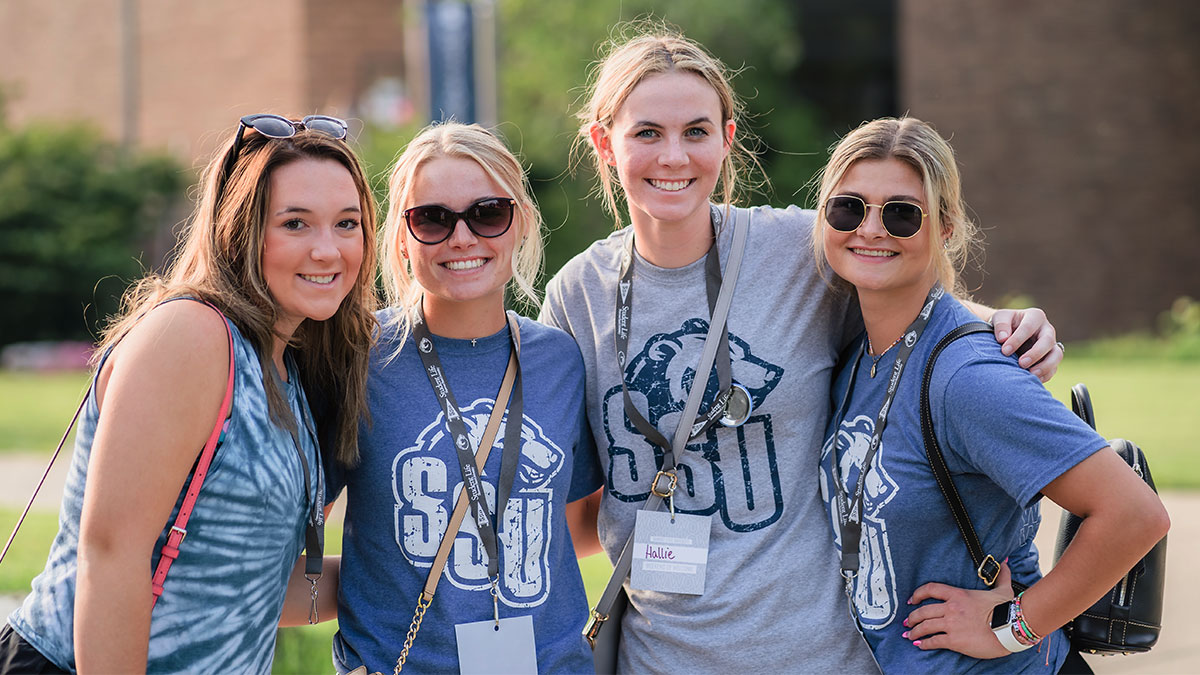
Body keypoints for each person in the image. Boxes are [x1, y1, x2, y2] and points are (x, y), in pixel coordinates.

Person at [540, 26, 1064, 673]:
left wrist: (1004, 320)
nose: (673, 156)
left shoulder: (797, 251)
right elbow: (575, 513)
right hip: (659, 660)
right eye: (647, 132)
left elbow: (903, 287)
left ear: (726, 141)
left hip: (825, 656)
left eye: (696, 131)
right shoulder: (576, 295)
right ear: (604, 142)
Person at [0, 114, 378, 674]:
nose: (328, 250)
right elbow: (111, 557)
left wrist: (401, 576)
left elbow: (251, 587)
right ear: (241, 230)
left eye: (347, 223)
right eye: (295, 223)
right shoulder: (194, 335)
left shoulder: (286, 369)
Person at [814, 116, 1169, 672]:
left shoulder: (966, 375)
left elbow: (1134, 514)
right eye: (849, 207)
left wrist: (1012, 628)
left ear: (946, 228)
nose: (871, 230)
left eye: (903, 214)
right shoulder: (860, 351)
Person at [323, 121, 601, 674]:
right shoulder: (356, 359)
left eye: (488, 213)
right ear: (400, 238)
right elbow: (293, 547)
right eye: (431, 218)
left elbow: (570, 527)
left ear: (519, 222)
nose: (462, 238)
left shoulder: (560, 360)